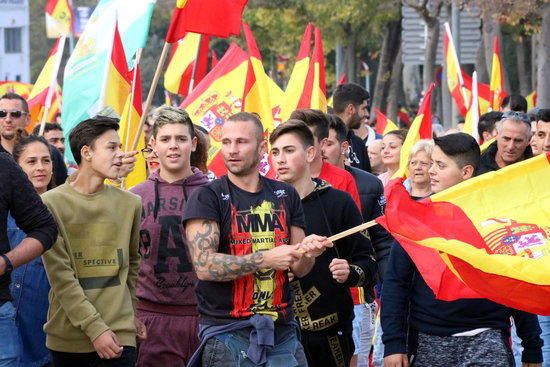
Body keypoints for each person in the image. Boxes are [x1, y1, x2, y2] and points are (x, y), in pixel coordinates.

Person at [182, 112, 333, 367]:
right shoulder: (208, 196)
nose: (232, 150)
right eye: (227, 142)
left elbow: (300, 268)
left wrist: (308, 252)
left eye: (241, 142)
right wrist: (266, 258)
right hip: (227, 331)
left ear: (262, 147)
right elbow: (205, 266)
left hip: (282, 330)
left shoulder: (286, 195)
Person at [381, 133, 543, 367]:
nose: (431, 171)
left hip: (488, 339)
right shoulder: (415, 219)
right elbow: (396, 284)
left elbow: (516, 280)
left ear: (466, 172)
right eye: (431, 163)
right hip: (429, 339)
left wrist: (531, 344)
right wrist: (393, 344)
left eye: (440, 165)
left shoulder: (496, 220)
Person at [270, 119, 378, 367]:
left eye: (289, 150)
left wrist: (349, 272)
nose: (280, 159)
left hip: (329, 331)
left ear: (310, 153)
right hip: (273, 330)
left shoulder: (338, 203)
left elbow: (369, 263)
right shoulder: (260, 205)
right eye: (275, 152)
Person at [41, 116, 145, 366]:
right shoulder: (51, 203)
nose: (120, 154)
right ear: (86, 152)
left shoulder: (131, 203)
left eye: (119, 147)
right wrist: (95, 328)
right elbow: (61, 276)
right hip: (68, 339)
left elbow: (132, 265)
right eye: (112, 147)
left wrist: (129, 313)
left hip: (120, 337)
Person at [129, 106, 209, 366]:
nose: (173, 146)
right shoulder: (133, 197)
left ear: (193, 143)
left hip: (206, 317)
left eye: (181, 139)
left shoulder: (215, 193)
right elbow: (122, 263)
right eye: (165, 139)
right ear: (153, 145)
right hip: (150, 317)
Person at [323, 115, 394, 367]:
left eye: (328, 143)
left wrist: (386, 284)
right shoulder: (289, 186)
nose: (321, 150)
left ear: (344, 147)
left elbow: (381, 242)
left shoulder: (368, 183)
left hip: (357, 294)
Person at [0, 151, 58, 367]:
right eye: (31, 161)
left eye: (45, 160)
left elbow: (45, 228)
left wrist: (6, 261)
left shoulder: (3, 166)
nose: (39, 167)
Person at [290, 108, 362, 211]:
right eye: (296, 139)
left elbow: (355, 225)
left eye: (306, 139)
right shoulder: (279, 179)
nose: (300, 144)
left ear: (322, 143)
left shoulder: (343, 180)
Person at [332, 83, 372, 172]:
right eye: (363, 108)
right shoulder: (321, 142)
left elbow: (368, 183)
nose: (366, 114)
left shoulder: (359, 144)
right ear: (351, 109)